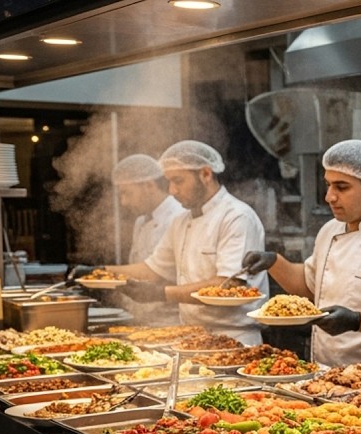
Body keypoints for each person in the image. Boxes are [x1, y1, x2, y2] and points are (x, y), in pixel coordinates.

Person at [240, 140, 361, 370]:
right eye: (328, 185)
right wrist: (273, 261)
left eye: (341, 187)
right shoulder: (330, 230)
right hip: (324, 373)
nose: (329, 197)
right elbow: (309, 286)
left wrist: (357, 321)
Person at [72, 141, 266, 344]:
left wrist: (161, 293)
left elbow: (229, 284)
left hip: (236, 336)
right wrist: (99, 271)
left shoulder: (236, 217)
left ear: (206, 174)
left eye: (178, 181)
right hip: (192, 334)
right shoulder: (181, 221)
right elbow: (151, 270)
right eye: (169, 182)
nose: (172, 190)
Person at [110, 154, 182, 325]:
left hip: (171, 320)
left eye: (127, 193)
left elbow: (153, 272)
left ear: (149, 185)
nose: (124, 202)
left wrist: (99, 272)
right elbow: (137, 268)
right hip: (141, 317)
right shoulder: (141, 221)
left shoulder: (178, 216)